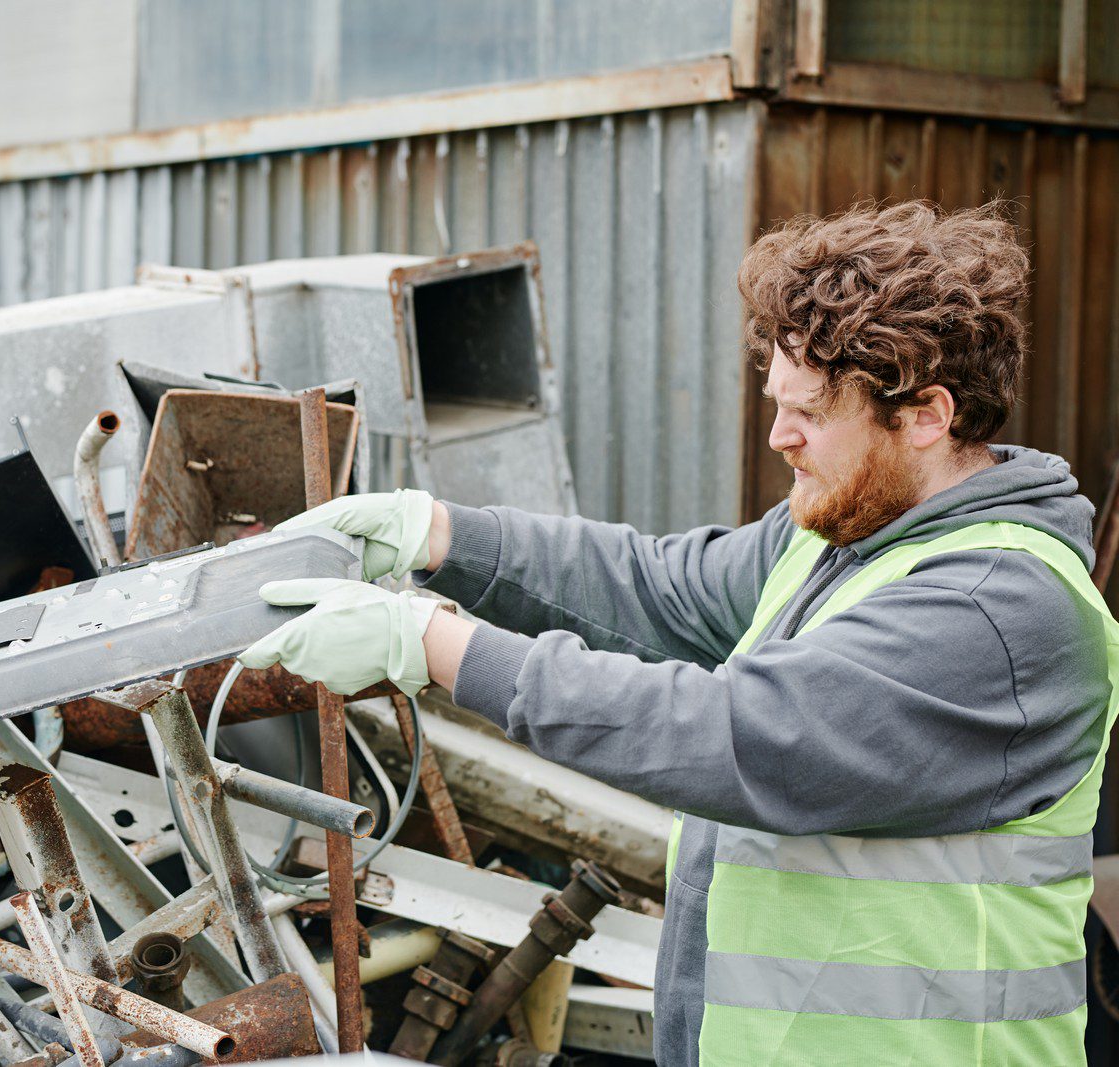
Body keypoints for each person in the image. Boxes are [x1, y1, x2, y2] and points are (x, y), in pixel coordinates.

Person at [238, 200, 1119, 1066]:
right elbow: (661, 587)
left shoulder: (999, 606)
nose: (779, 435)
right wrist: (438, 533)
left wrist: (430, 644)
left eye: (808, 412)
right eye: (775, 399)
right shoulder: (844, 534)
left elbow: (737, 735)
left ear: (926, 414)